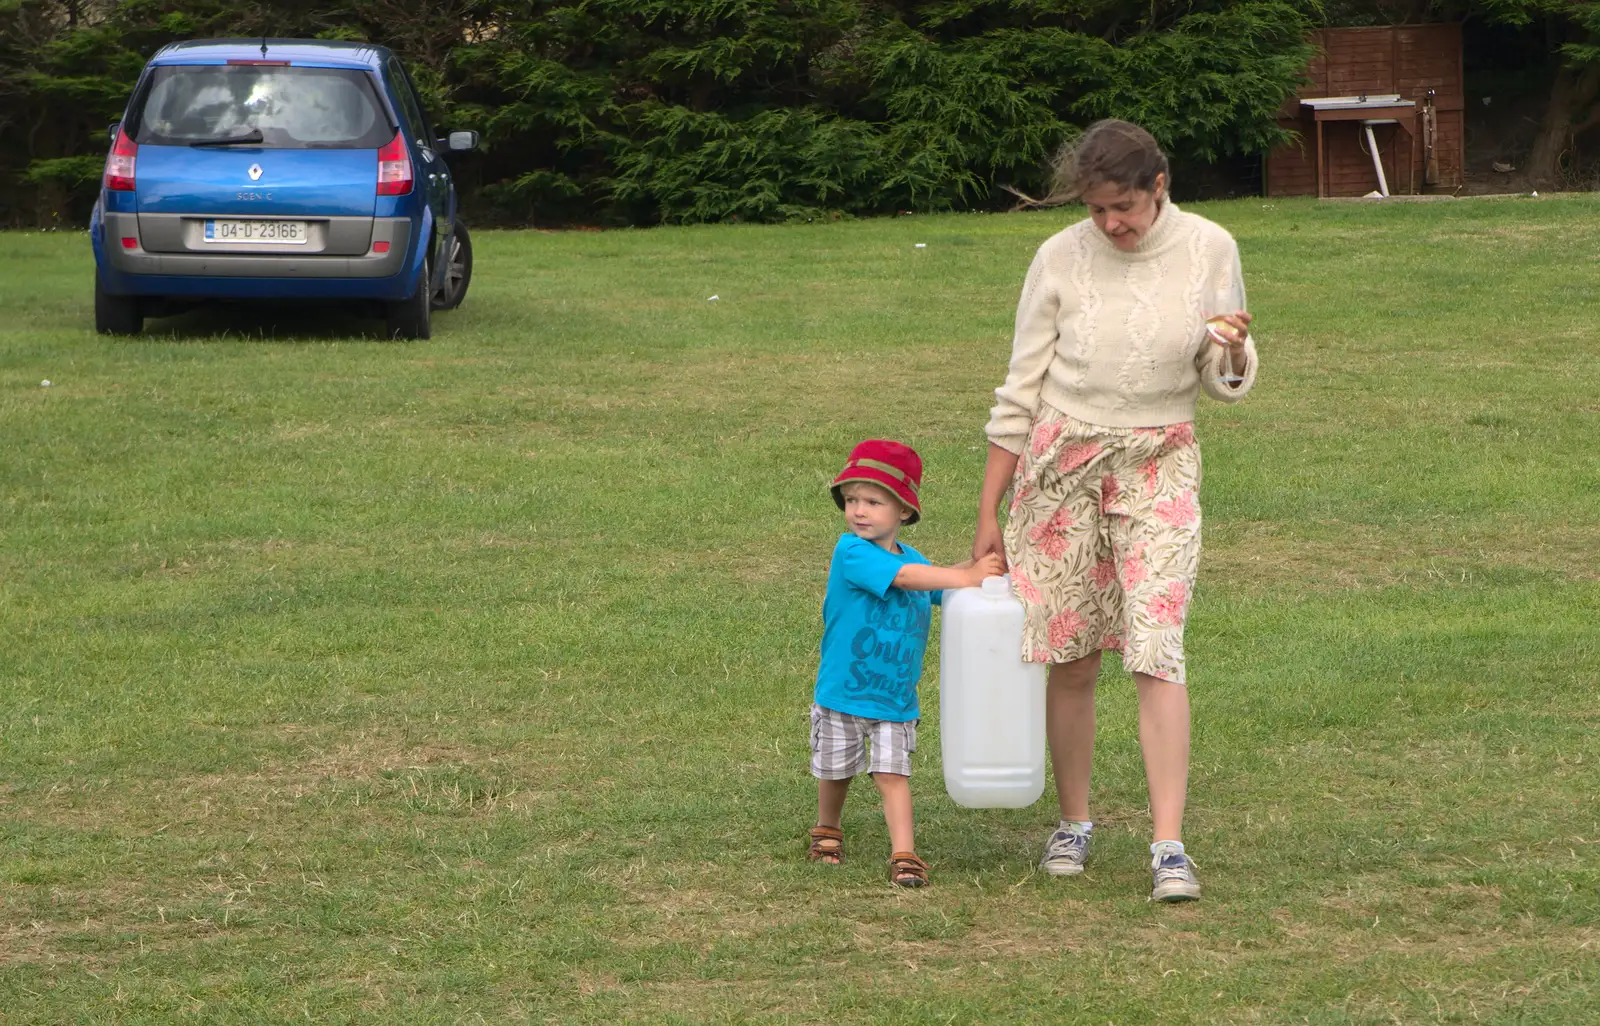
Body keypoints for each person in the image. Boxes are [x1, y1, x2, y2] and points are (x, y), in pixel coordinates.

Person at [971, 120, 1258, 903]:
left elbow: (1222, 371)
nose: (1112, 225)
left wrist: (1233, 351)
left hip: (1160, 461)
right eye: (1098, 210)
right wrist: (989, 508)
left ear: (1159, 186)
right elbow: (1018, 388)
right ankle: (1075, 823)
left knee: (1157, 646)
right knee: (1071, 654)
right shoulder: (1058, 256)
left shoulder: (1211, 247)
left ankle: (1170, 846)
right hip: (1060, 469)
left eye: (1124, 207)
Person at [808, 439, 1004, 887]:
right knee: (836, 770)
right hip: (844, 690)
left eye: (873, 501)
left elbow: (942, 586)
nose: (859, 510)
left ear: (904, 512)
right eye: (852, 499)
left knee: (891, 775)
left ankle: (905, 855)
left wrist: (983, 570)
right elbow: (906, 579)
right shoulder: (851, 552)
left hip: (894, 699)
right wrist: (966, 573)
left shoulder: (916, 560)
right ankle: (827, 827)